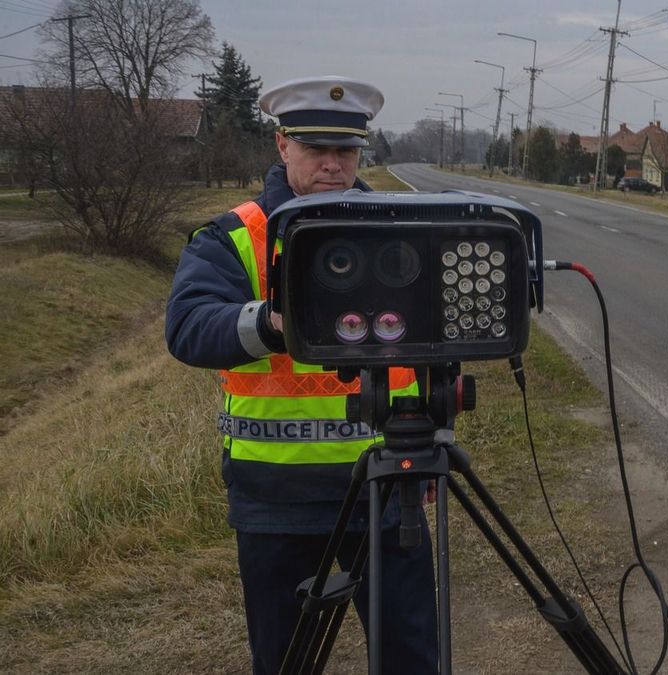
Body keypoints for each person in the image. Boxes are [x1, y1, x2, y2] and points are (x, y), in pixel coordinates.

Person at [165, 76, 437, 674]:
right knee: (285, 660)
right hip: (276, 497)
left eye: (346, 151)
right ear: (282, 145)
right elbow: (186, 328)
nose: (334, 166)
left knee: (410, 656)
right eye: (317, 150)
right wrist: (272, 321)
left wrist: (432, 441)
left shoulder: (400, 231)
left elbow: (427, 350)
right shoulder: (235, 237)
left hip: (388, 487)